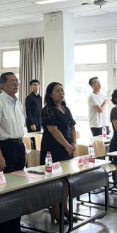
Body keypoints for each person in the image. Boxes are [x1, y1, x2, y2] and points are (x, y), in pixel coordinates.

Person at [0, 72, 32, 233]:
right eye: (12, 81)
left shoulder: (17, 102)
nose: (16, 84)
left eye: (17, 81)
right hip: (4, 148)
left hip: (18, 146)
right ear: (2, 85)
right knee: (4, 193)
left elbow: (19, 127)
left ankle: (15, 231)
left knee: (18, 191)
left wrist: (23, 149)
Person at [40, 82, 77, 223]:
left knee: (66, 180)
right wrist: (67, 145)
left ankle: (64, 208)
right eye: (57, 91)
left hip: (67, 147)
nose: (61, 93)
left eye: (62, 90)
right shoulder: (48, 110)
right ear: (50, 94)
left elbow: (72, 127)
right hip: (53, 148)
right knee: (55, 180)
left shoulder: (65, 109)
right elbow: (53, 130)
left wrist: (74, 143)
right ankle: (55, 209)